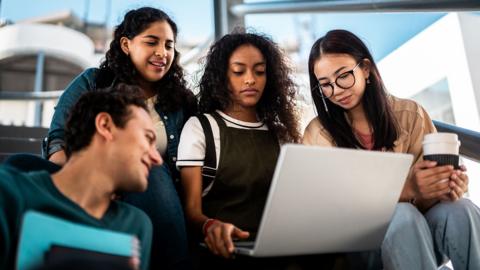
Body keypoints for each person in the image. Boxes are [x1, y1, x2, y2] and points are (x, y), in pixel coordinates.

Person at [303, 29, 480, 270]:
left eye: (343, 76)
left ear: (365, 69)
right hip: (359, 248)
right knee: (402, 213)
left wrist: (445, 187)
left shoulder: (410, 114)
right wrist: (407, 190)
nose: (336, 90)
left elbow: (430, 200)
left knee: (461, 209)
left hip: (418, 236)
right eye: (325, 85)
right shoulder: (318, 134)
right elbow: (332, 213)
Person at [43, 7, 196, 269]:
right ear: (126, 44)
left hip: (151, 192)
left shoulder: (182, 102)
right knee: (22, 164)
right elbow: (58, 139)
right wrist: (79, 189)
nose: (163, 52)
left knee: (154, 168)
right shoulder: (94, 81)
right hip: (89, 184)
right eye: (152, 42)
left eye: (169, 45)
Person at [177, 29, 336, 269]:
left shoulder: (281, 134)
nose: (250, 79)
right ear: (221, 77)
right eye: (239, 71)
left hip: (279, 250)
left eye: (259, 71)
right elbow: (191, 212)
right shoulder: (201, 128)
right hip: (226, 252)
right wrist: (212, 226)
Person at [0, 85, 159, 270]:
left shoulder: (137, 225)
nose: (157, 159)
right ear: (105, 125)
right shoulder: (10, 194)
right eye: (148, 138)